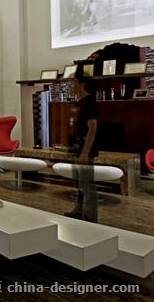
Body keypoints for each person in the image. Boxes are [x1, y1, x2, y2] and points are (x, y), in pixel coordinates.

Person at [64, 65, 98, 222]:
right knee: (78, 183)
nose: (70, 86)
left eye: (73, 82)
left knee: (87, 185)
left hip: (84, 150)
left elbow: (92, 128)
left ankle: (91, 219)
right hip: (75, 149)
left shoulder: (89, 102)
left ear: (82, 83)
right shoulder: (77, 103)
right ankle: (78, 210)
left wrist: (85, 152)